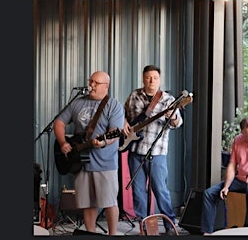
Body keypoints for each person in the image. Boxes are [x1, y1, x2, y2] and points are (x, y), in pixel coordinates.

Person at [54, 71, 124, 235]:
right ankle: (90, 233)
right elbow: (59, 122)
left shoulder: (114, 105)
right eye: (90, 81)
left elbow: (115, 132)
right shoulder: (77, 103)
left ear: (106, 86)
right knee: (87, 203)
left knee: (109, 202)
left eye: (95, 82)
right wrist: (63, 142)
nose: (91, 85)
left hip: (105, 163)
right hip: (81, 162)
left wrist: (104, 141)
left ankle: (112, 234)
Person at [122, 64, 183, 235]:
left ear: (160, 80)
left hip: (157, 152)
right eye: (148, 77)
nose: (151, 81)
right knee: (138, 191)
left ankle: (170, 226)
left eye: (155, 78)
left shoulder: (168, 100)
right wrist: (124, 123)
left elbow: (177, 123)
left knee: (161, 190)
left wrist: (171, 117)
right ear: (143, 78)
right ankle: (144, 225)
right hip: (135, 150)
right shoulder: (134, 95)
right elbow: (124, 115)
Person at [201, 117, 248, 235]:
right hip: (241, 179)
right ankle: (207, 232)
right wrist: (226, 186)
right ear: (242, 134)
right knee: (209, 193)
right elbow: (232, 165)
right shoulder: (238, 140)